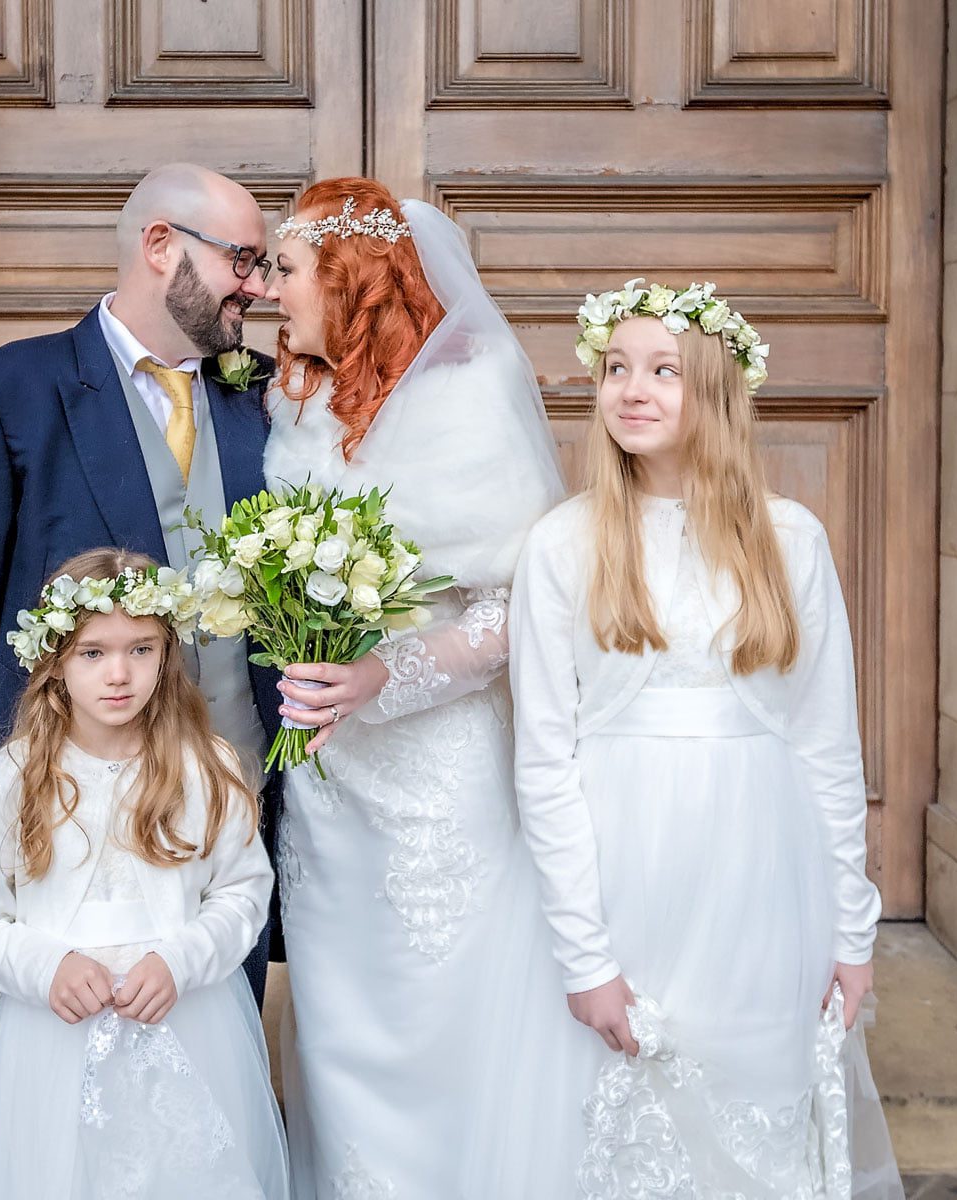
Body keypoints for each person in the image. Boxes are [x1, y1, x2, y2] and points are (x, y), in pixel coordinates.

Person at [509, 279, 903, 1197]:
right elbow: (544, 762)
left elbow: (826, 746)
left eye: (663, 373)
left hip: (763, 878)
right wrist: (584, 956)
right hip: (622, 872)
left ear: (718, 392)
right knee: (622, 1116)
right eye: (615, 369)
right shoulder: (565, 545)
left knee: (752, 1109)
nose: (631, 389)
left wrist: (852, 930)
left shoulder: (791, 540)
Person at [260, 177, 582, 1197]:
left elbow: (506, 613)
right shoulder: (292, 395)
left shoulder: (469, 389)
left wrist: (377, 677)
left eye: (287, 268)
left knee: (443, 1016)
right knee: (340, 1026)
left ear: (350, 278)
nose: (270, 291)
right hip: (327, 783)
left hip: (440, 784)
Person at [0, 163, 285, 1002]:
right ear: (160, 246)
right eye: (243, 262)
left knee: (222, 1055)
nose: (259, 288)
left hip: (229, 801)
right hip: (64, 815)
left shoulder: (265, 392)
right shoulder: (3, 392)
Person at [0, 548, 289, 1199]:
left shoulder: (207, 769)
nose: (119, 673)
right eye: (93, 653)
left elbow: (244, 895)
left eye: (141, 649)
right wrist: (48, 968)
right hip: (53, 1041)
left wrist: (179, 961)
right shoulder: (14, 779)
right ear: (55, 661)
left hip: (186, 1022)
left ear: (167, 654)